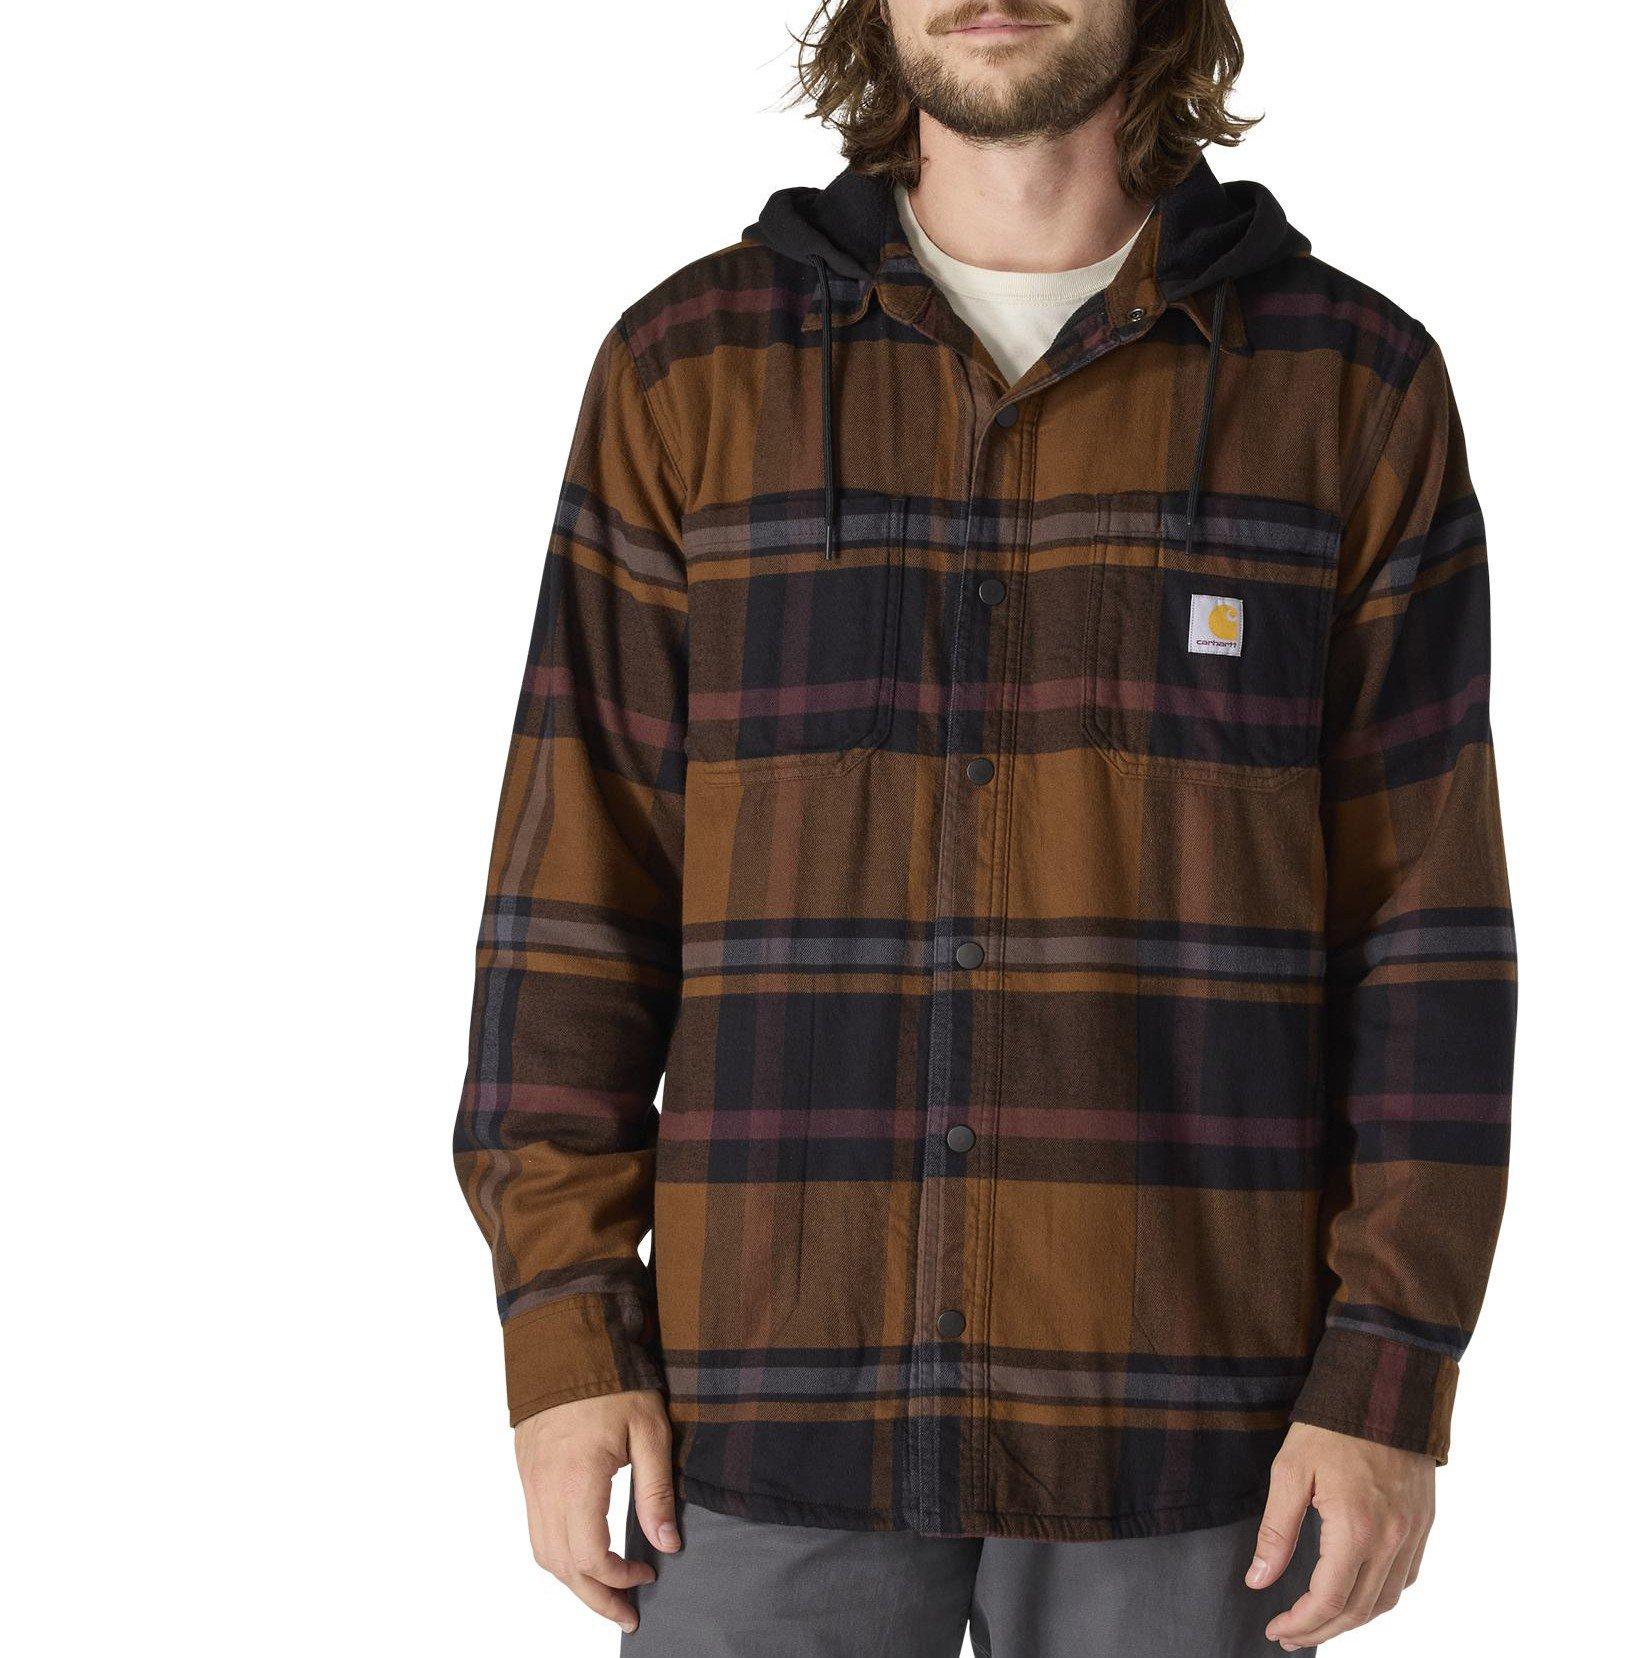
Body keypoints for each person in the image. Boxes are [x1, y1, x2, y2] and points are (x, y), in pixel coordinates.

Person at [453, 3, 1515, 1652]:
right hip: (758, 1418)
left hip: (1193, 1433)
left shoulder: (1349, 388)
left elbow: (1426, 934)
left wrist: (1390, 1373)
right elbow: (577, 895)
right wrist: (564, 1336)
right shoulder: (690, 373)